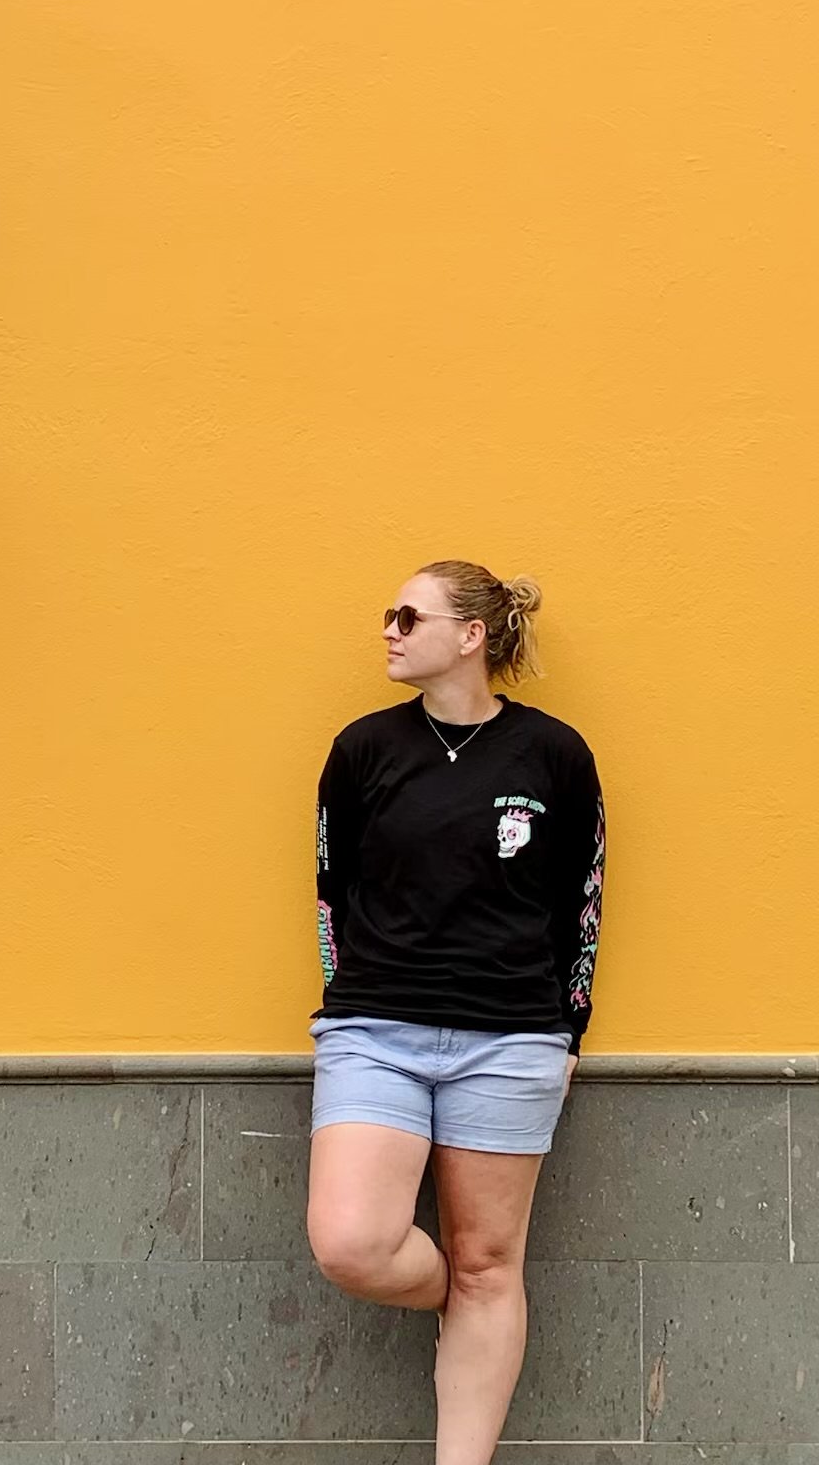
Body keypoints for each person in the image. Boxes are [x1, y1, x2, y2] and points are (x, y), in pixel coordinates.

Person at [306, 559, 606, 1465]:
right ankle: (464, 1304)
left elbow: (582, 902)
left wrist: (570, 1035)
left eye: (408, 615)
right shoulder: (363, 749)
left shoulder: (555, 754)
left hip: (512, 1037)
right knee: (353, 1243)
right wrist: (345, 999)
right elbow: (331, 894)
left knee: (489, 1261)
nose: (389, 630)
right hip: (376, 1033)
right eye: (386, 614)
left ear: (471, 636)